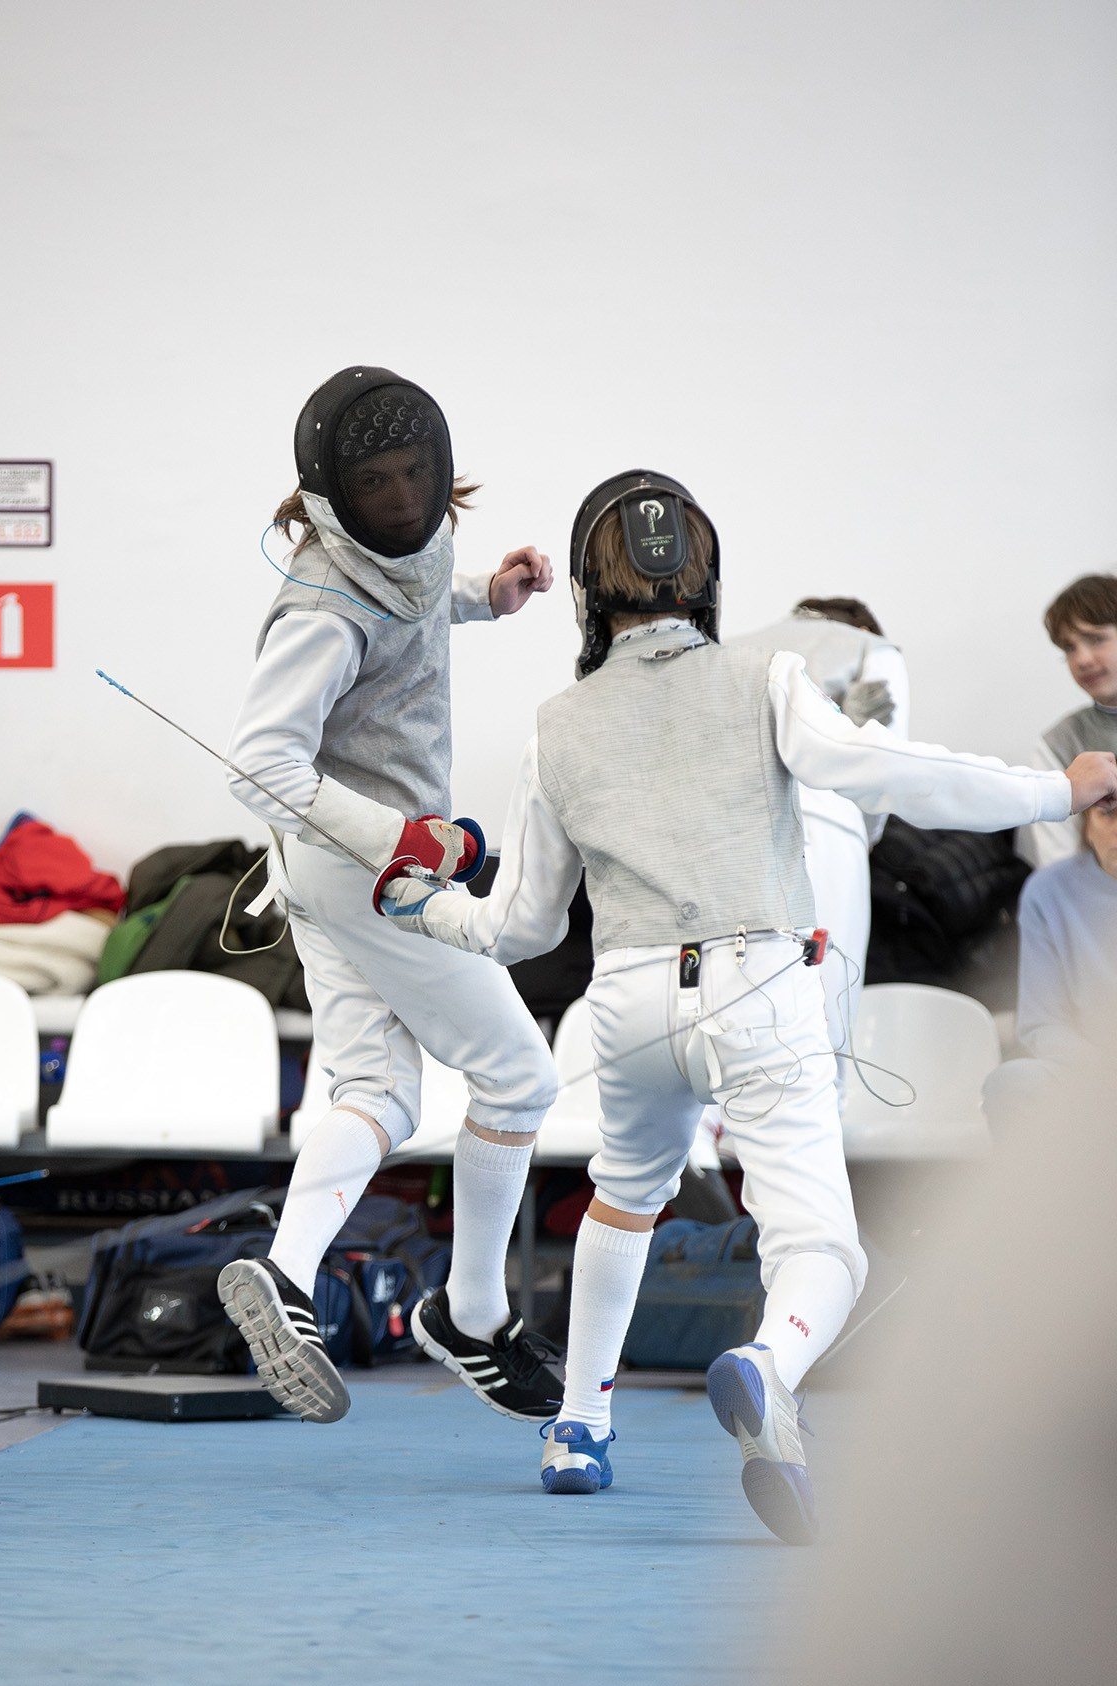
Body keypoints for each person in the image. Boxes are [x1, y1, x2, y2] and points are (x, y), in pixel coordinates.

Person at [370, 468, 1117, 1543]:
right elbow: (889, 771)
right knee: (823, 1245)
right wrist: (1058, 787)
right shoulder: (767, 678)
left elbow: (523, 928)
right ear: (705, 578)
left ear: (589, 589)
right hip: (761, 989)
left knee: (625, 1199)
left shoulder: (557, 722)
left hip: (629, 1004)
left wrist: (428, 907)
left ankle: (577, 1427)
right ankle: (769, 1366)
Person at [216, 365, 562, 1428]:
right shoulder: (318, 608)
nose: (405, 499)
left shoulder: (413, 547)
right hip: (365, 866)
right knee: (517, 1076)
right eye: (379, 482)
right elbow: (257, 762)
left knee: (380, 1088)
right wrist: (401, 839)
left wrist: (486, 600)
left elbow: (413, 600)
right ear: (331, 491)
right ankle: (469, 1309)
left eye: (417, 474)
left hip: (328, 873)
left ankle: (285, 1274)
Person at [734, 597, 909, 1097]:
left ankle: (712, 1147)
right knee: (820, 1039)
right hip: (831, 829)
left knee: (734, 1023)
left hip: (727, 837)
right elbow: (880, 784)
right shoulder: (873, 653)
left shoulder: (730, 653)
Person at [984, 800, 1117, 1130]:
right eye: (1109, 813)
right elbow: (1041, 1023)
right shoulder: (1048, 893)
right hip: (1091, 1076)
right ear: (1086, 820)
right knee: (1012, 1083)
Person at [1019, 573, 1117, 869]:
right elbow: (1061, 869)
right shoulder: (1059, 745)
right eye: (1069, 648)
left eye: (1095, 639)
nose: (1082, 659)